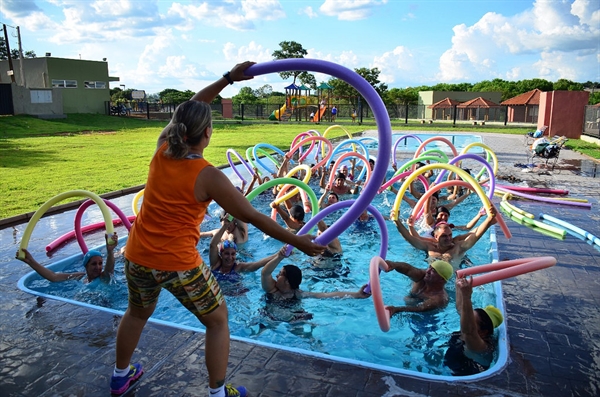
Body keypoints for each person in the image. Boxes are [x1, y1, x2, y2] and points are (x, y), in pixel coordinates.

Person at [112, 62, 325, 397]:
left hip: (137, 256)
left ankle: (120, 377)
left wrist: (227, 79)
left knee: (136, 314)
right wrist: (298, 240)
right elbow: (254, 216)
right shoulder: (208, 175)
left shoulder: (163, 149)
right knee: (217, 320)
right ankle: (217, 393)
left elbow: (190, 110)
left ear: (177, 128)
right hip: (178, 264)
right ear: (208, 133)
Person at [393, 207, 497, 268]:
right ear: (436, 236)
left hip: (451, 282)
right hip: (430, 279)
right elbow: (410, 238)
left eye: (450, 235)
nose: (448, 238)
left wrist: (488, 220)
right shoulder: (430, 246)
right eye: (444, 236)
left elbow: (475, 235)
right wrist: (397, 221)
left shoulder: (458, 247)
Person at [443, 275, 504, 376]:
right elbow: (461, 309)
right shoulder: (471, 327)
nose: (466, 321)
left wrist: (467, 296)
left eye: (471, 321)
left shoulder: (482, 347)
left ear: (483, 332)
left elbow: (469, 332)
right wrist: (458, 286)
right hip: (449, 367)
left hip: (461, 379)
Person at [261, 246, 369, 302]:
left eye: (280, 274)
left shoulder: (298, 294)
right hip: (272, 317)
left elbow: (328, 295)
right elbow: (265, 273)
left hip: (293, 317)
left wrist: (357, 294)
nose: (276, 276)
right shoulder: (272, 290)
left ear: (287, 281)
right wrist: (279, 257)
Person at [16, 233, 118, 283]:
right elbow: (53, 277)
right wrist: (30, 261)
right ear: (86, 266)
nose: (98, 267)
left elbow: (109, 268)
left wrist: (110, 251)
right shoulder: (80, 277)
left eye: (100, 263)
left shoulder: (104, 278)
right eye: (94, 264)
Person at [384, 260, 453, 316]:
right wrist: (395, 265)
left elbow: (419, 309)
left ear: (442, 279)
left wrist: (396, 309)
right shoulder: (422, 276)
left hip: (428, 316)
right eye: (429, 267)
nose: (428, 271)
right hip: (413, 299)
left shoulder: (439, 298)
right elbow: (408, 270)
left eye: (433, 271)